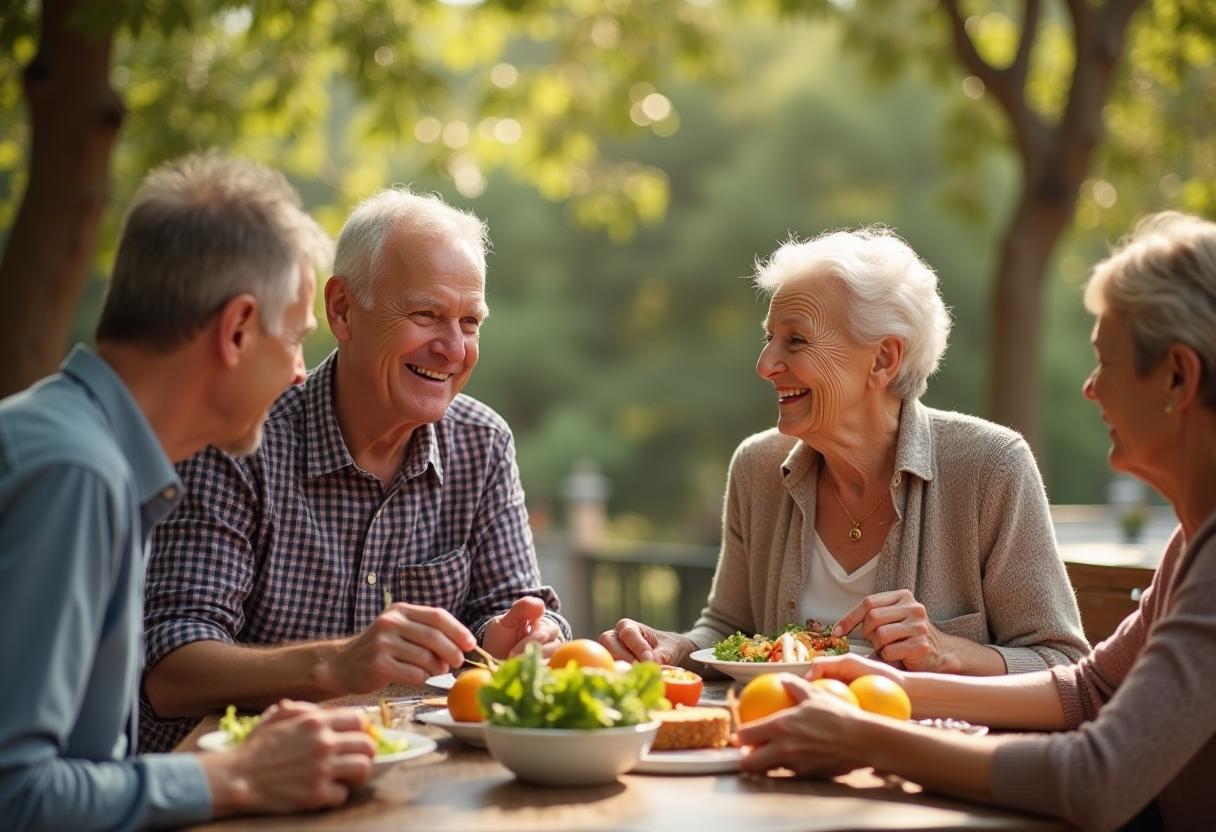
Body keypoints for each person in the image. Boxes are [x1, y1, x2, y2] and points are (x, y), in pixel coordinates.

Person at [739, 211, 1216, 832]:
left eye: (1108, 363)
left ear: (1178, 376)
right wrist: (875, 686)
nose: (1090, 389)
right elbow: (1089, 690)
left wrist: (868, 738)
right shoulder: (1193, 543)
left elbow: (1096, 779)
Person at [0, 152, 379, 832]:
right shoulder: (76, 474)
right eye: (294, 339)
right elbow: (16, 796)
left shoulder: (73, 443)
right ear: (236, 330)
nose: (300, 374)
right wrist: (235, 774)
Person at [140, 187, 570, 752]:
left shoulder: (482, 442)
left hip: (409, 782)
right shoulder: (241, 438)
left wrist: (518, 635)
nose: (453, 348)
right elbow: (171, 670)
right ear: (341, 310)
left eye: (470, 322)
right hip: (231, 785)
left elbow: (508, 612)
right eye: (426, 314)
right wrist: (338, 663)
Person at [601, 227, 1088, 674]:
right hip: (782, 748)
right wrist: (675, 648)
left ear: (883, 358)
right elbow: (729, 629)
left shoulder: (992, 467)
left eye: (796, 341)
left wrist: (946, 651)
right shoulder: (757, 467)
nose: (765, 363)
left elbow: (1062, 663)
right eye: (770, 338)